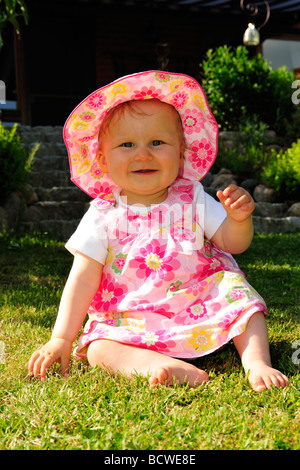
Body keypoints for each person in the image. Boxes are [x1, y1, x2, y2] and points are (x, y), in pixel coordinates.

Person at [28, 70, 289, 392]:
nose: (142, 153)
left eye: (157, 142)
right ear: (102, 159)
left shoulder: (192, 196)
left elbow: (232, 245)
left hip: (201, 301)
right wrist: (62, 337)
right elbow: (81, 278)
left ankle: (257, 362)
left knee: (241, 300)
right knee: (98, 347)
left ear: (180, 153)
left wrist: (238, 220)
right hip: (132, 314)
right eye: (126, 144)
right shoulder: (102, 215)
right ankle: (158, 366)